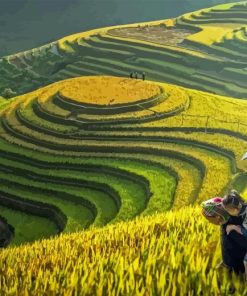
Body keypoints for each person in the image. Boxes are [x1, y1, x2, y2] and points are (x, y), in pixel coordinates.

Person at [201, 196, 247, 276]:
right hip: (229, 263)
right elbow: (227, 247)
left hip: (236, 269)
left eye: (209, 219)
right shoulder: (223, 223)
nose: (209, 222)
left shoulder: (231, 230)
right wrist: (225, 262)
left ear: (218, 217)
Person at [222, 190, 247, 280]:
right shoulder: (240, 207)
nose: (228, 213)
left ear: (236, 209)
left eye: (229, 211)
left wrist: (237, 229)